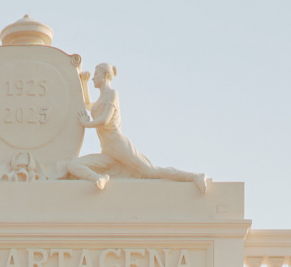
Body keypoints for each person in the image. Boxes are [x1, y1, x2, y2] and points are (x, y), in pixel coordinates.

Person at [81, 63, 211, 191]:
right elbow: (87, 104)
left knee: (150, 172)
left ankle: (194, 177)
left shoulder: (112, 94)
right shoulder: (99, 100)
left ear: (104, 75)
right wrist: (84, 83)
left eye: (95, 74)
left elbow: (104, 120)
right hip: (108, 149)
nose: (93, 78)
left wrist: (85, 123)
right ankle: (100, 179)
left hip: (118, 144)